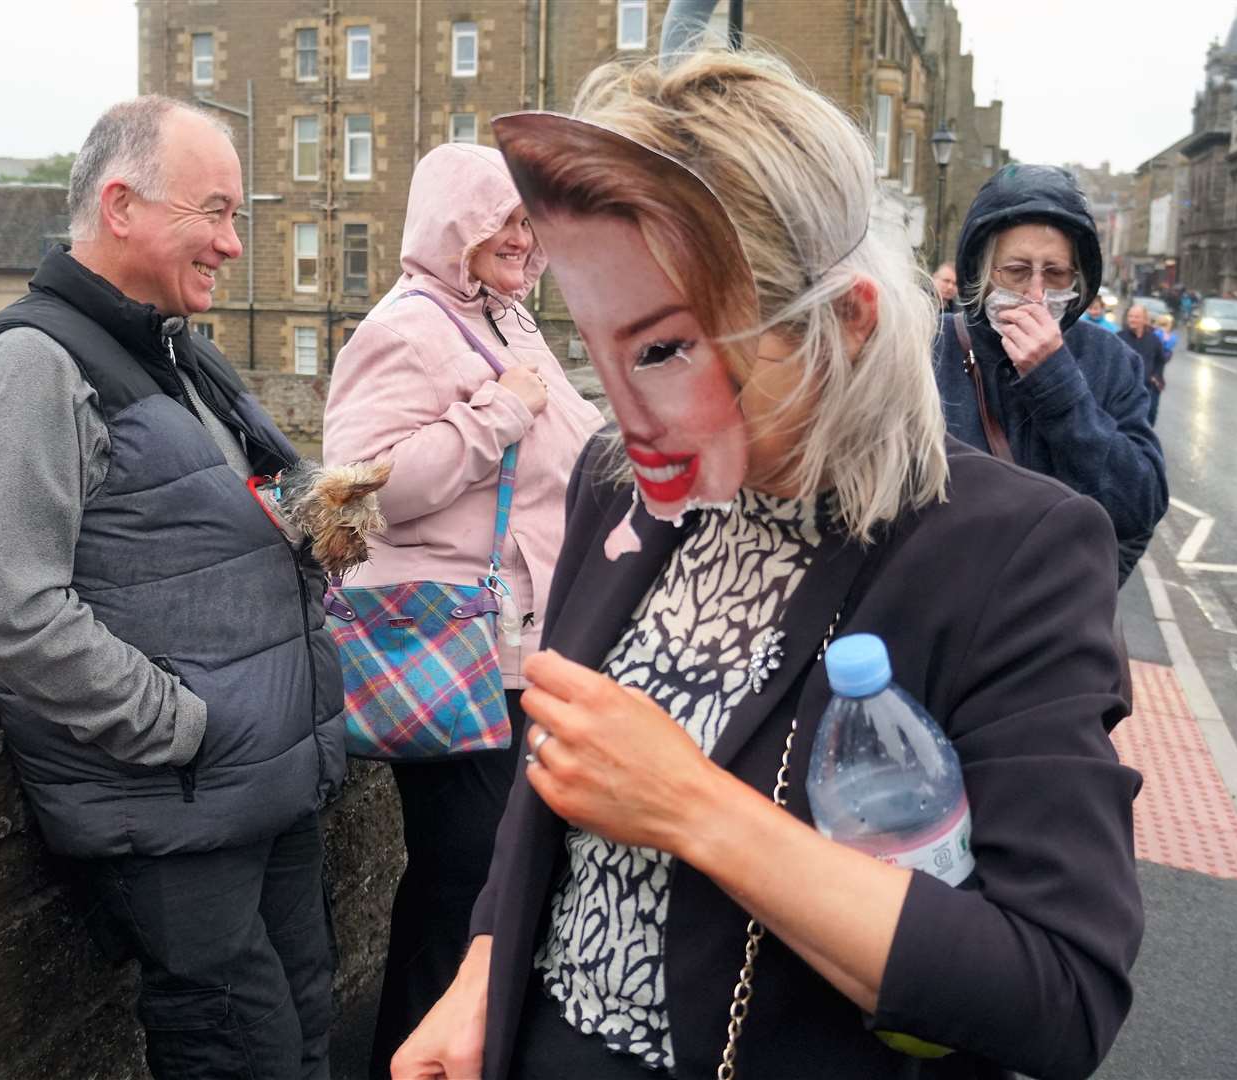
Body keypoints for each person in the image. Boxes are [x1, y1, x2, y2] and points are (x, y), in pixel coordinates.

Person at [395, 49, 1142, 1080]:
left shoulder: (1015, 551)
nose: (628, 415)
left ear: (844, 321)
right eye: (601, 345)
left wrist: (694, 809)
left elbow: (1058, 994)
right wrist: (486, 970)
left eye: (669, 351)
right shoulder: (622, 483)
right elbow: (557, 782)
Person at [0, 96, 344, 1079]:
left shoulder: (171, 349)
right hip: (180, 804)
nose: (234, 245)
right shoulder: (29, 364)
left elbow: (246, 501)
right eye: (215, 212)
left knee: (306, 1032)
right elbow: (12, 609)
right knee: (240, 1051)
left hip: (266, 786)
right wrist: (182, 727)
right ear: (121, 206)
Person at [322, 142, 603, 1076]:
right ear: (457, 223)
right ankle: (411, 1055)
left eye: (532, 223)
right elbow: (356, 493)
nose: (525, 240)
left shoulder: (510, 322)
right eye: (507, 221)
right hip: (454, 649)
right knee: (463, 883)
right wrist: (497, 416)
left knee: (491, 879)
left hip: (520, 648)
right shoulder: (407, 326)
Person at [932, 164, 1168, 583]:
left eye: (1055, 273)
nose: (1037, 293)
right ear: (983, 273)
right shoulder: (929, 348)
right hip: (937, 612)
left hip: (1057, 625)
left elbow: (1140, 505)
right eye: (1018, 271)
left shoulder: (1110, 360)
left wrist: (1056, 382)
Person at [1119, 303, 1170, 426]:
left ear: (1145, 319)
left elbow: (1161, 360)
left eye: (1136, 317)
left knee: (1149, 418)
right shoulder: (1120, 337)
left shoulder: (1154, 339)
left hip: (1149, 387)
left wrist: (1157, 377)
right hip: (1126, 388)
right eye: (1130, 316)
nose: (1132, 319)